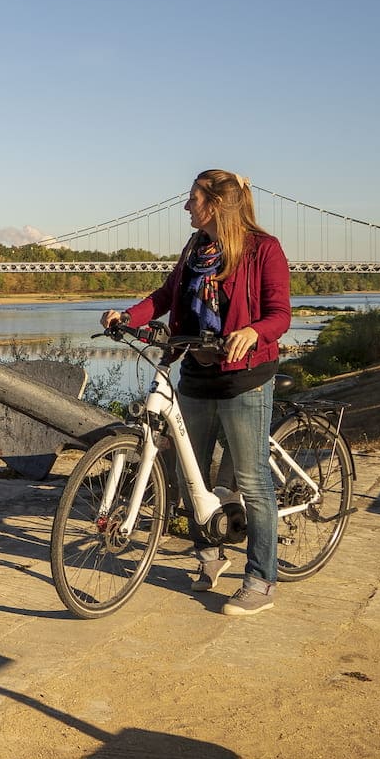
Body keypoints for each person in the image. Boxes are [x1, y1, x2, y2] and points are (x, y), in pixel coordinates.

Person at [101, 169, 291, 617]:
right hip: (197, 372)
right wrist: (127, 315)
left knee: (251, 481)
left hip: (244, 376)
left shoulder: (264, 249)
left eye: (193, 199)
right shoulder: (195, 249)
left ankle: (262, 578)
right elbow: (166, 296)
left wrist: (253, 331)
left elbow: (280, 314)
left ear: (217, 204)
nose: (186, 207)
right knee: (192, 477)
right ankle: (210, 555)